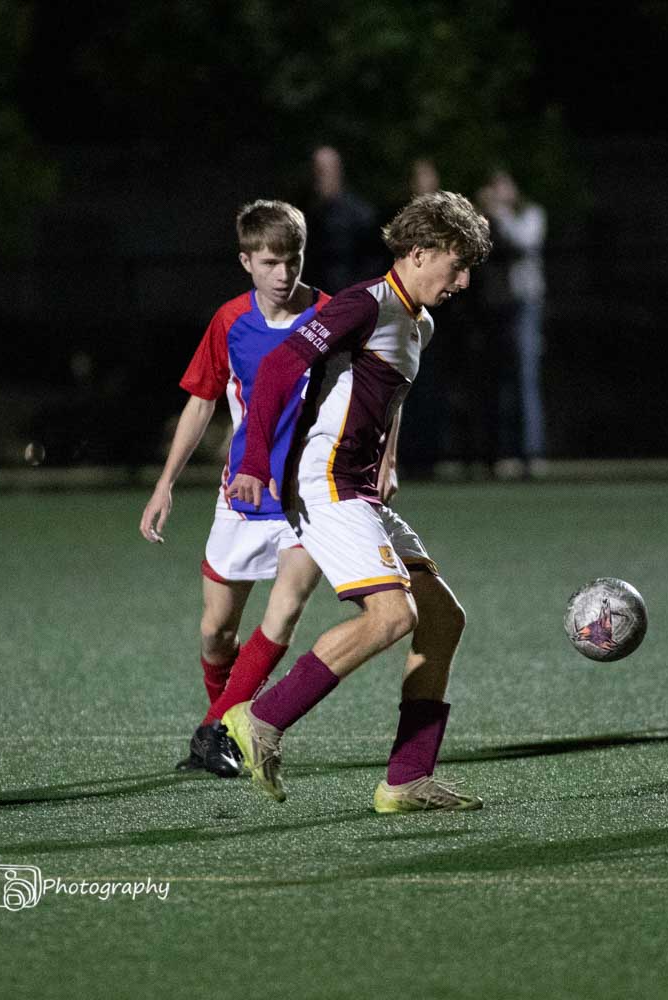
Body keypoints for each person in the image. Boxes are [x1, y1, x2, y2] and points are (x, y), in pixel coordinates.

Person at [221, 191, 493, 812]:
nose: (463, 281)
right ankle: (261, 718)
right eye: (456, 265)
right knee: (393, 616)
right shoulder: (365, 304)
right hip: (324, 484)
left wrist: (389, 458)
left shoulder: (420, 323)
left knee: (443, 619)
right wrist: (256, 463)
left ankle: (406, 780)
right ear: (418, 252)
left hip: (359, 490)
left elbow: (383, 401)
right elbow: (278, 368)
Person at [140, 199, 330, 777]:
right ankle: (219, 726)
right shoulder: (229, 321)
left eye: (293, 259)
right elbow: (201, 402)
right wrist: (165, 484)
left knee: (284, 613)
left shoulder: (329, 317)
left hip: (309, 498)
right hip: (243, 499)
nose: (284, 273)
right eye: (270, 262)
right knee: (216, 633)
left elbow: (378, 386)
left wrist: (386, 458)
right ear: (246, 261)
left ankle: (216, 730)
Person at [477, 168, 548, 477]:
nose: (498, 193)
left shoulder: (530, 215)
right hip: (495, 307)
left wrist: (500, 214)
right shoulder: (485, 221)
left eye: (502, 186)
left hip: (524, 304)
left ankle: (531, 452)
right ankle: (500, 453)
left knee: (525, 376)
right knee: (497, 380)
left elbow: (522, 240)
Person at [303, 145, 383, 293]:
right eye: (317, 171)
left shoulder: (361, 215)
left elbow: (374, 264)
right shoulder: (306, 215)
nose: (320, 177)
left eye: (325, 171)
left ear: (338, 171)